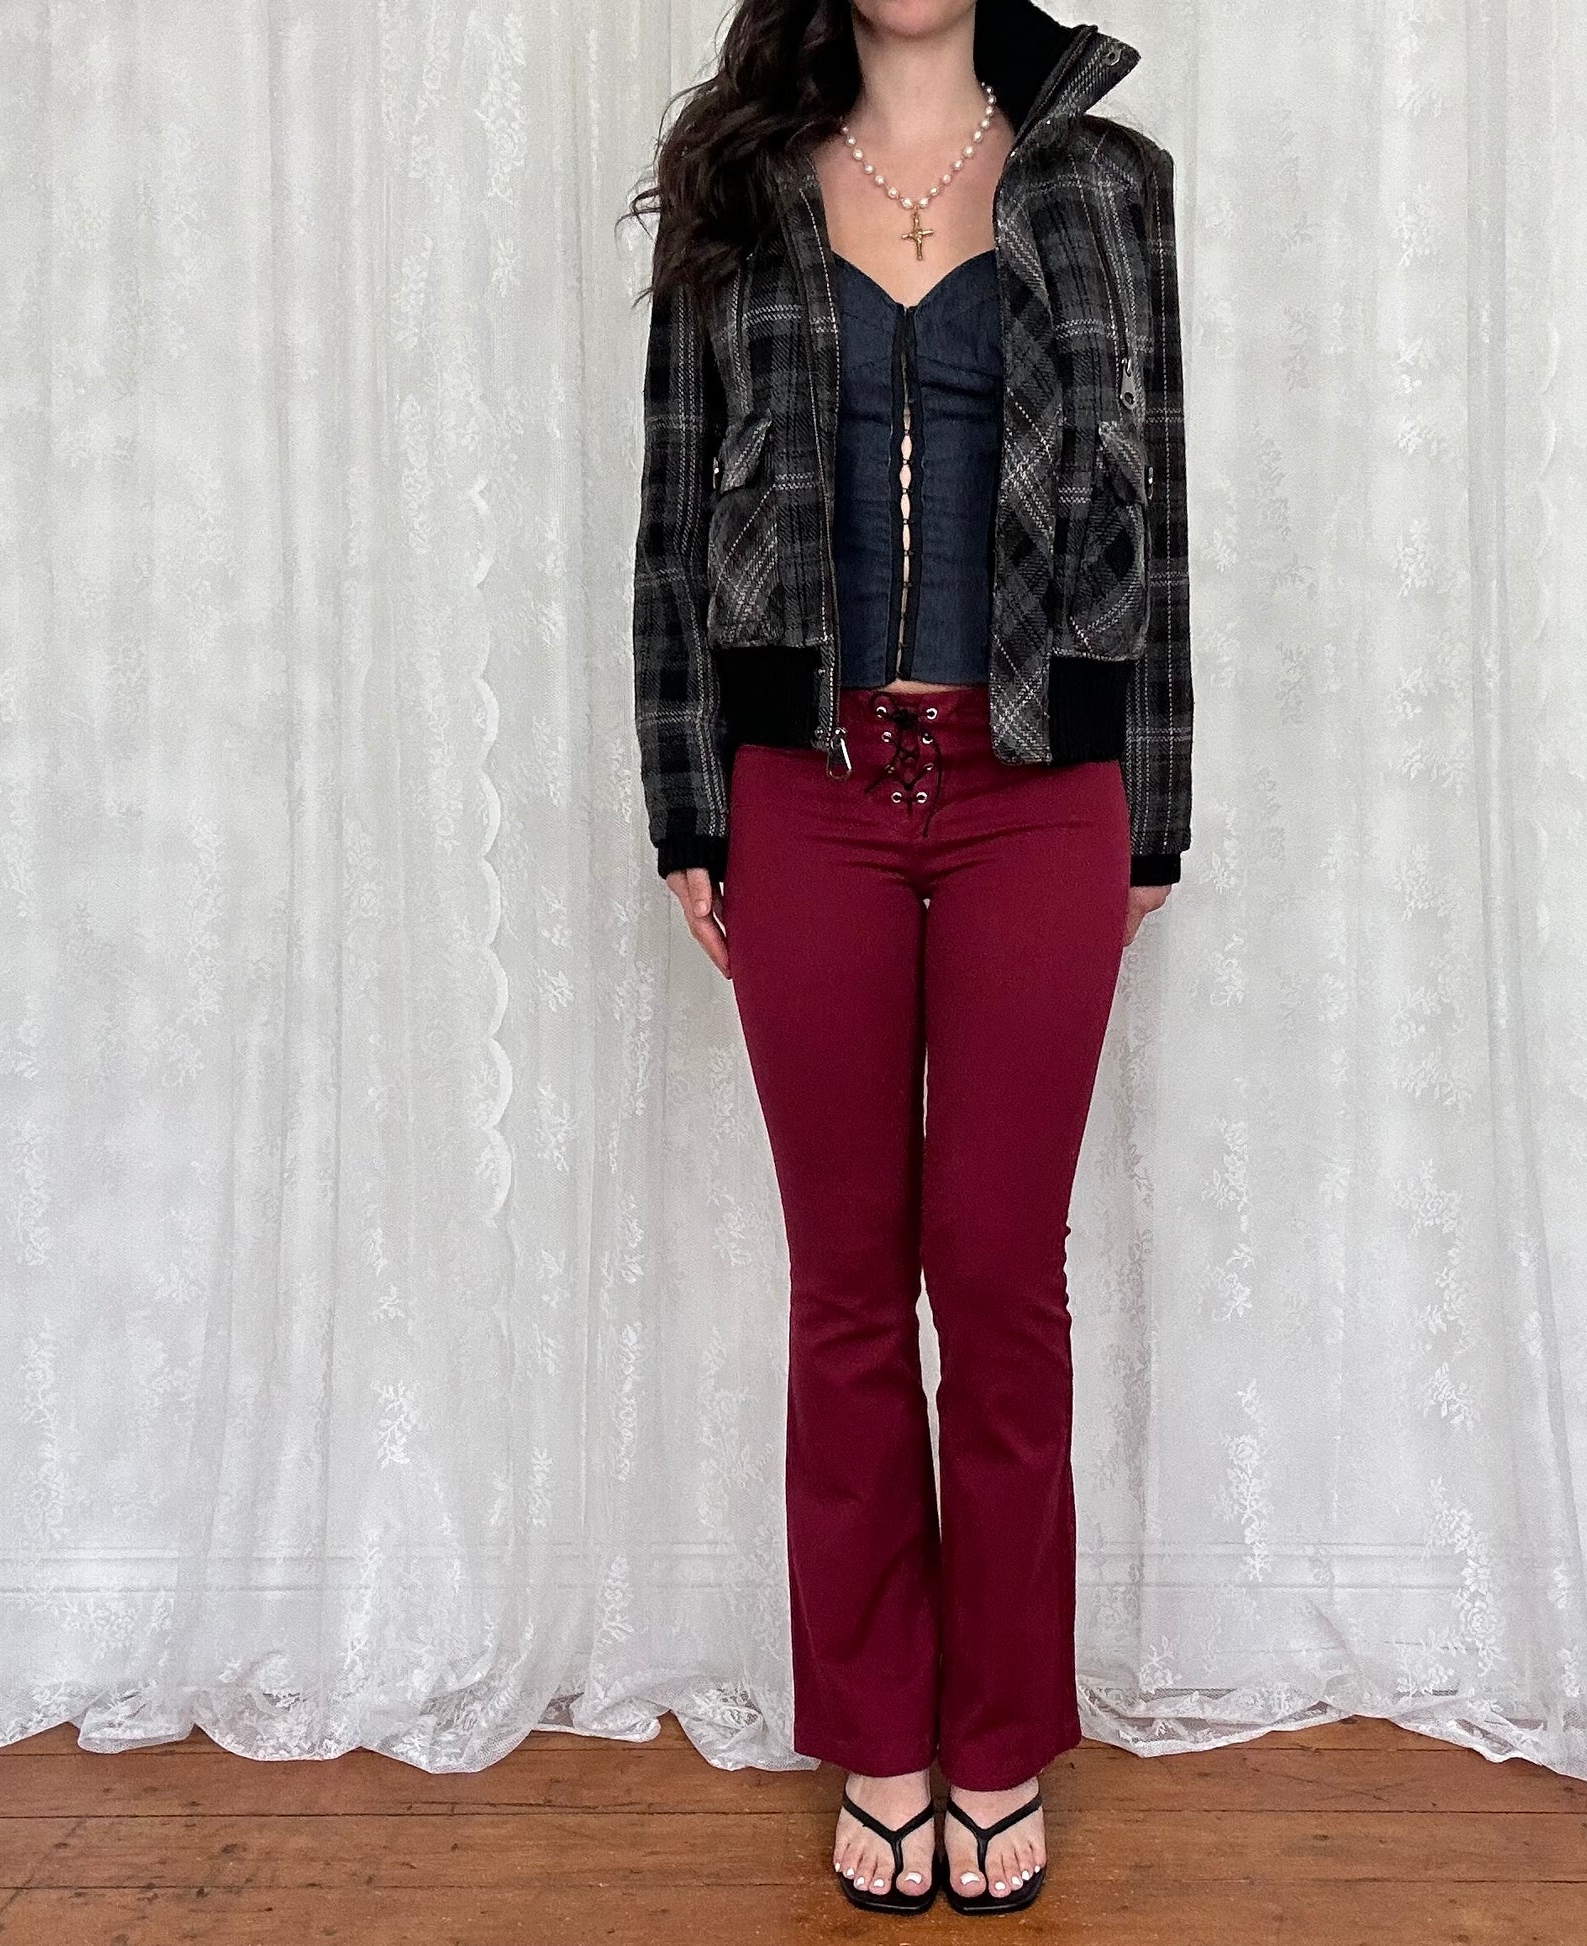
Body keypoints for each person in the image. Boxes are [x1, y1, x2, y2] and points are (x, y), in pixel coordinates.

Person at [626, 0, 1191, 1914]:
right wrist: (689, 804)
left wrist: (1151, 809)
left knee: (1000, 1279)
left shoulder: (1108, 183)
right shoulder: (739, 183)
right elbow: (669, 516)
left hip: (1040, 785)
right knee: (848, 1287)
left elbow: (1161, 498)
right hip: (809, 789)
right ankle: (879, 1732)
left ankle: (995, 1729)